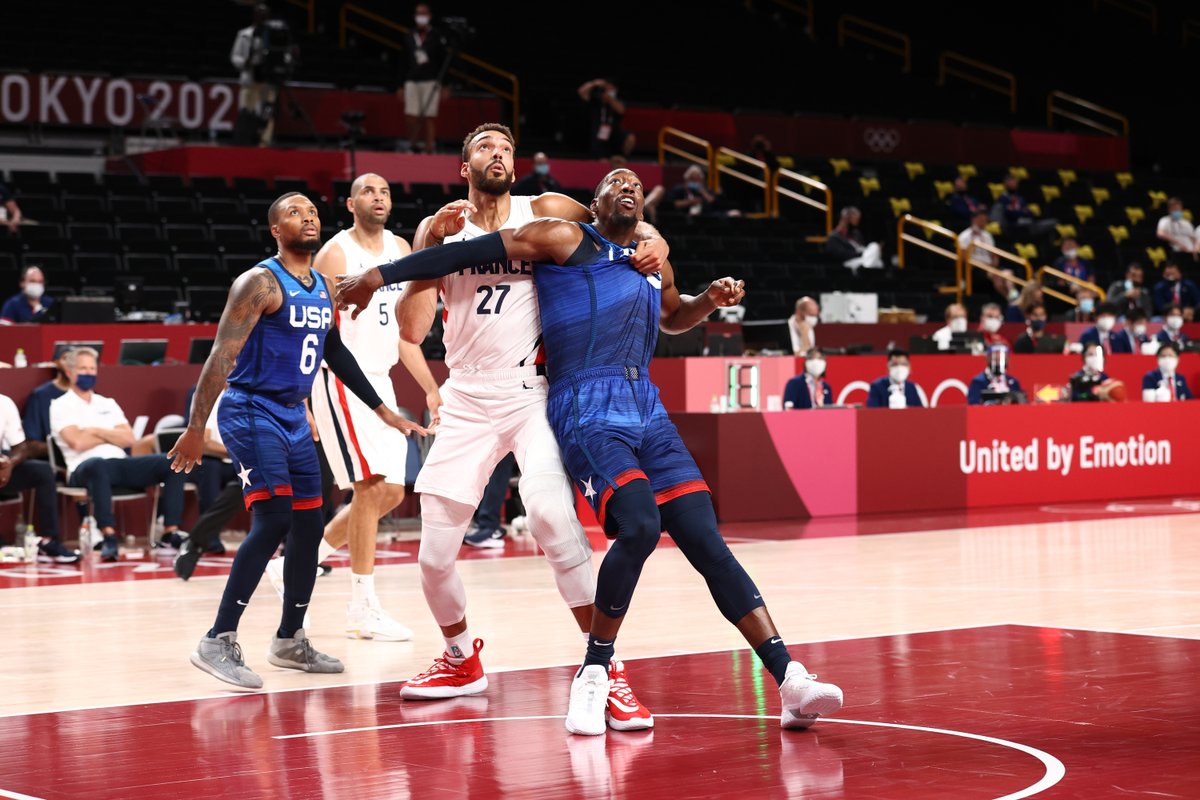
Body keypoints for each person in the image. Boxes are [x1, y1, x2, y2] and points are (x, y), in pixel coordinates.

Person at [336, 166, 843, 737]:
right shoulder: (563, 238)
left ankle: (790, 678)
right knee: (641, 525)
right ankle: (596, 672)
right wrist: (378, 275)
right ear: (592, 202)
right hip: (581, 402)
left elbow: (675, 315)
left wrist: (709, 300)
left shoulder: (653, 256)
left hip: (644, 405)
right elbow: (459, 256)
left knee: (705, 538)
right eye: (615, 183)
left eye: (635, 186)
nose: (627, 188)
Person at [350, 125, 668, 728]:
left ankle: (607, 670)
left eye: (507, 148)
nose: (499, 154)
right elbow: (413, 332)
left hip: (530, 392)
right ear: (463, 165)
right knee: (433, 557)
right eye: (486, 147)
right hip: (466, 397)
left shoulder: (543, 210)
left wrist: (662, 250)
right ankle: (459, 659)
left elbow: (628, 222)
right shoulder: (444, 232)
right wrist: (422, 241)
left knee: (551, 519)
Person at [167, 192, 425, 690]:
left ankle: (290, 638)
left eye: (310, 211)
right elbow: (221, 354)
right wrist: (196, 428)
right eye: (293, 212)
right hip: (250, 408)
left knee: (308, 526)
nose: (306, 217)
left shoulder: (325, 287)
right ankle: (217, 639)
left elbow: (336, 352)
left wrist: (382, 410)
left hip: (292, 416)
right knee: (274, 518)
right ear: (274, 230)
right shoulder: (258, 282)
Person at [271, 173, 440, 642]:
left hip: (381, 380)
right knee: (370, 488)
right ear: (350, 203)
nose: (379, 197)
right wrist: (302, 396)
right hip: (341, 378)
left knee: (391, 493)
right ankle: (363, 607)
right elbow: (314, 330)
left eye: (385, 190)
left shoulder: (402, 249)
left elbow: (406, 334)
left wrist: (430, 388)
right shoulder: (336, 254)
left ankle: (295, 563)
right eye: (368, 191)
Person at [48, 347, 189, 561]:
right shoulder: (60, 405)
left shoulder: (107, 403)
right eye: (83, 368)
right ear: (69, 372)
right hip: (82, 467)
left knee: (171, 462)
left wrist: (94, 430)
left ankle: (170, 532)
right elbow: (76, 442)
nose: (88, 373)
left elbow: (128, 438)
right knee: (98, 464)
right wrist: (110, 434)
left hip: (119, 463)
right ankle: (109, 536)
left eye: (92, 368)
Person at [0, 393, 77, 562]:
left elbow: (20, 446)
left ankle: (49, 541)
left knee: (42, 471)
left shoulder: (4, 403)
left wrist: (9, 464)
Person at [229, 3, 293, 147]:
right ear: (254, 15)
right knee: (246, 110)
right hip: (250, 79)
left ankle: (264, 142)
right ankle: (244, 141)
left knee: (267, 113)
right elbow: (235, 56)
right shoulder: (244, 34)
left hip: (268, 80)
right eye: (259, 14)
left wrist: (283, 61)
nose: (262, 17)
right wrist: (244, 63)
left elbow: (285, 54)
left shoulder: (276, 34)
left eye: (265, 14)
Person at [399, 4, 449, 154]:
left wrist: (445, 85)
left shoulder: (437, 36)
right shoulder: (409, 36)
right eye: (418, 13)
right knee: (411, 116)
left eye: (424, 13)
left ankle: (429, 147)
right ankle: (413, 145)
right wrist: (399, 85)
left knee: (429, 116)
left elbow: (443, 62)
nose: (421, 16)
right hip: (411, 80)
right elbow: (402, 62)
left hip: (431, 81)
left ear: (430, 15)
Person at [21, 350, 70, 454]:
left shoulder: (93, 397)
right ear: (56, 362)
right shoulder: (40, 396)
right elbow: (31, 443)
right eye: (66, 358)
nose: (71, 363)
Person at [578, 78, 634, 160]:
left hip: (614, 133)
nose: (608, 91)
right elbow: (581, 92)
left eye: (611, 89)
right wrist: (594, 83)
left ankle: (624, 158)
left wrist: (609, 99)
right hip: (599, 135)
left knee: (630, 138)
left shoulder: (617, 101)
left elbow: (621, 110)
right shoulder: (596, 101)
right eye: (606, 89)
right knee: (602, 158)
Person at [993, 175, 1056, 239]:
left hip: (1027, 224)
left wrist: (1018, 212)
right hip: (1012, 226)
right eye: (1011, 182)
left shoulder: (1020, 198)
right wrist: (1021, 212)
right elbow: (1009, 214)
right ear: (1006, 184)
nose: (1014, 184)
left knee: (1054, 222)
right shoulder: (1003, 199)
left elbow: (1029, 213)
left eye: (1015, 182)